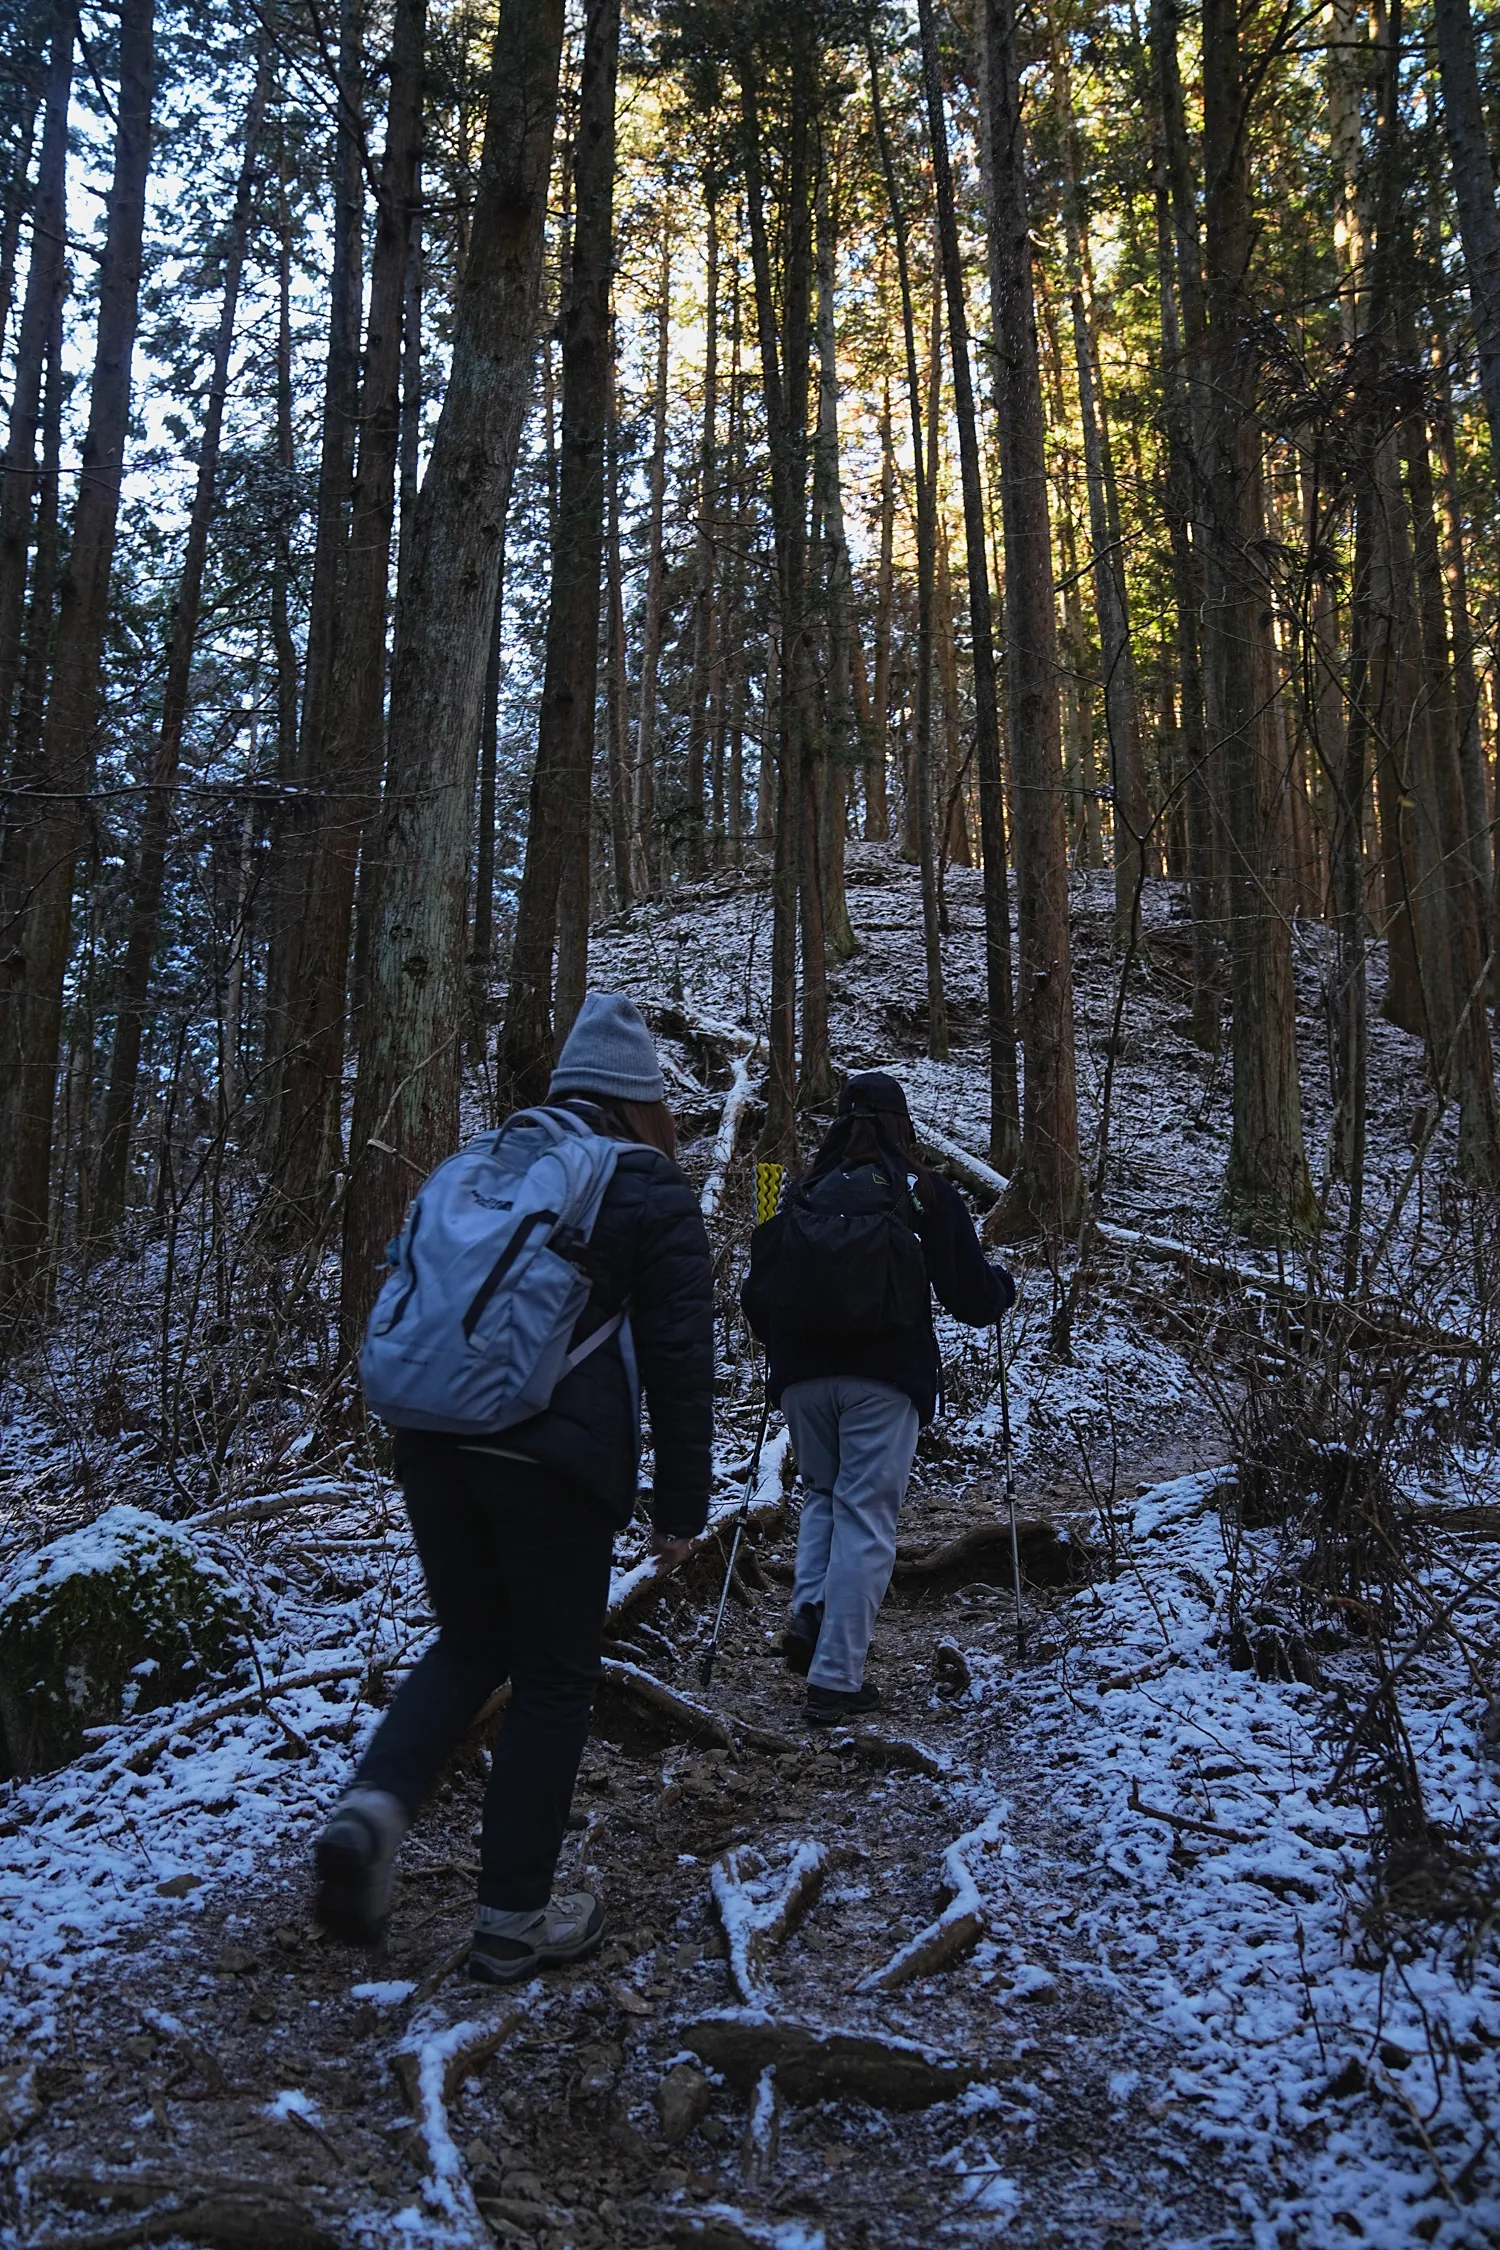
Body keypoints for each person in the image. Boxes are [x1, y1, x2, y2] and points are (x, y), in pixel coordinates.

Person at [314, 992, 713, 1983]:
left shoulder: (475, 1166)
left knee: (471, 1639)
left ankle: (374, 1807)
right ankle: (513, 1922)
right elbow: (679, 1356)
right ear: (637, 1101)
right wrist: (681, 1508)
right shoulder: (646, 1186)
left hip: (431, 1441)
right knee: (552, 1677)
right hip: (552, 1460)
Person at [743, 1072, 1015, 1725]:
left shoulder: (798, 1193)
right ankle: (836, 1679)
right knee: (865, 1516)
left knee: (824, 1497)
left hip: (804, 1379)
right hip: (884, 1379)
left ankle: (810, 1610)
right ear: (902, 1126)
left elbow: (760, 1293)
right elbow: (971, 1298)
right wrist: (1001, 1286)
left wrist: (787, 1353)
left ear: (839, 1123)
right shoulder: (923, 1193)